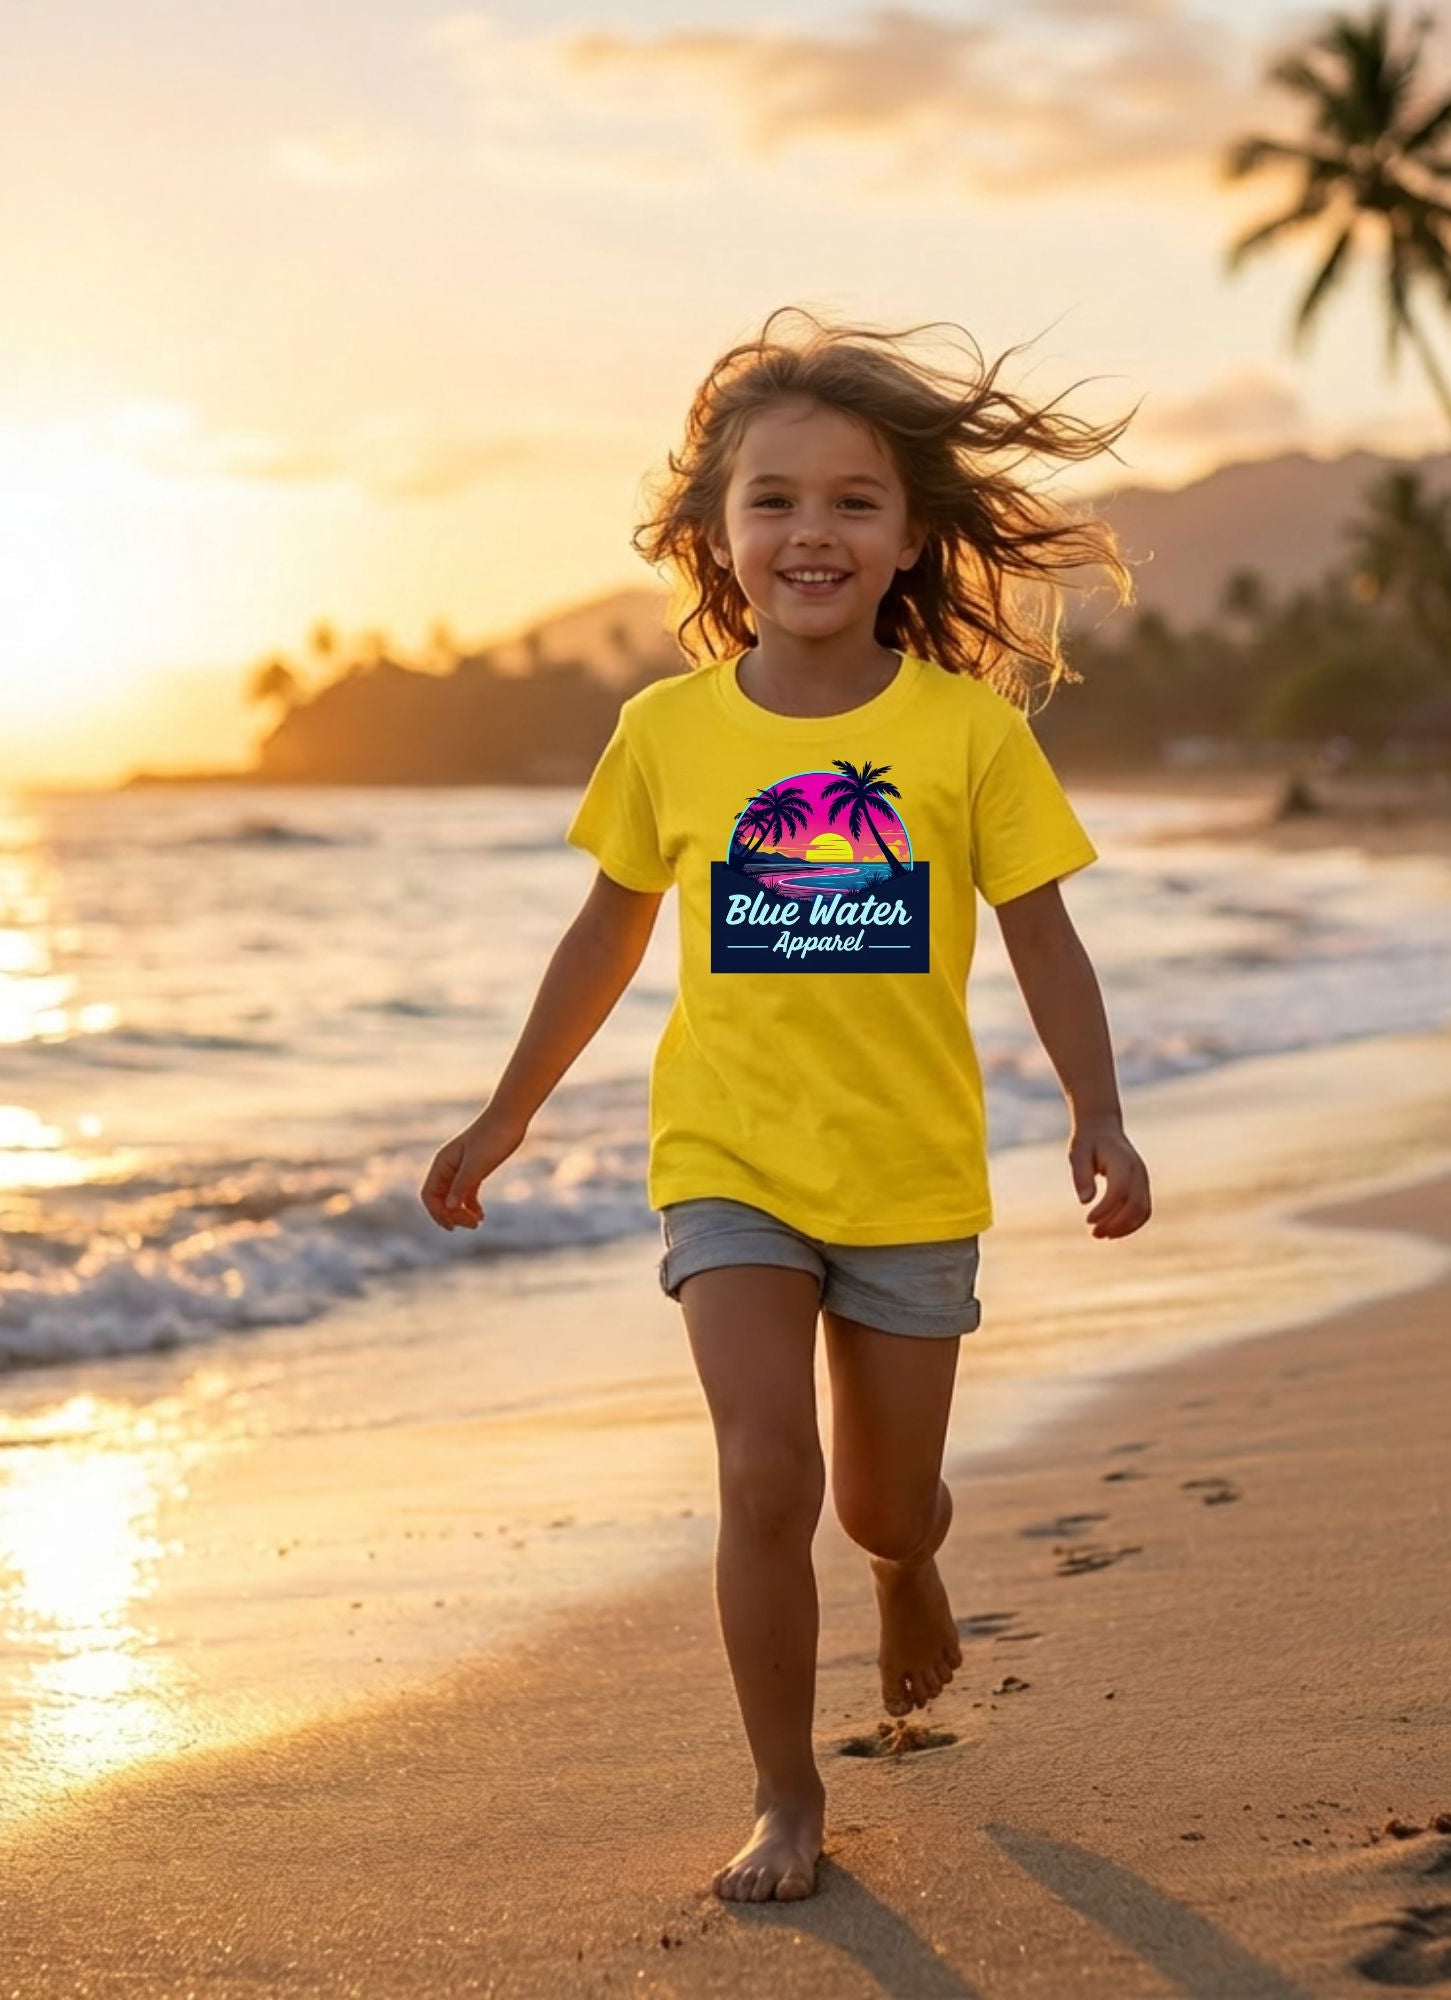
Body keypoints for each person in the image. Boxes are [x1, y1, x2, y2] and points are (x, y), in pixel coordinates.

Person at [420, 306, 1153, 1904]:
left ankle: (911, 1570)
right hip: (728, 1164)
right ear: (712, 531)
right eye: (773, 499)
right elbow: (606, 933)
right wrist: (505, 1115)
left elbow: (1043, 930)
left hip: (907, 1171)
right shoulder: (665, 731)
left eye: (852, 500)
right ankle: (784, 1792)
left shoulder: (965, 732)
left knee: (884, 1502)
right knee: (768, 1475)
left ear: (906, 539)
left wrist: (1096, 1112)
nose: (810, 529)